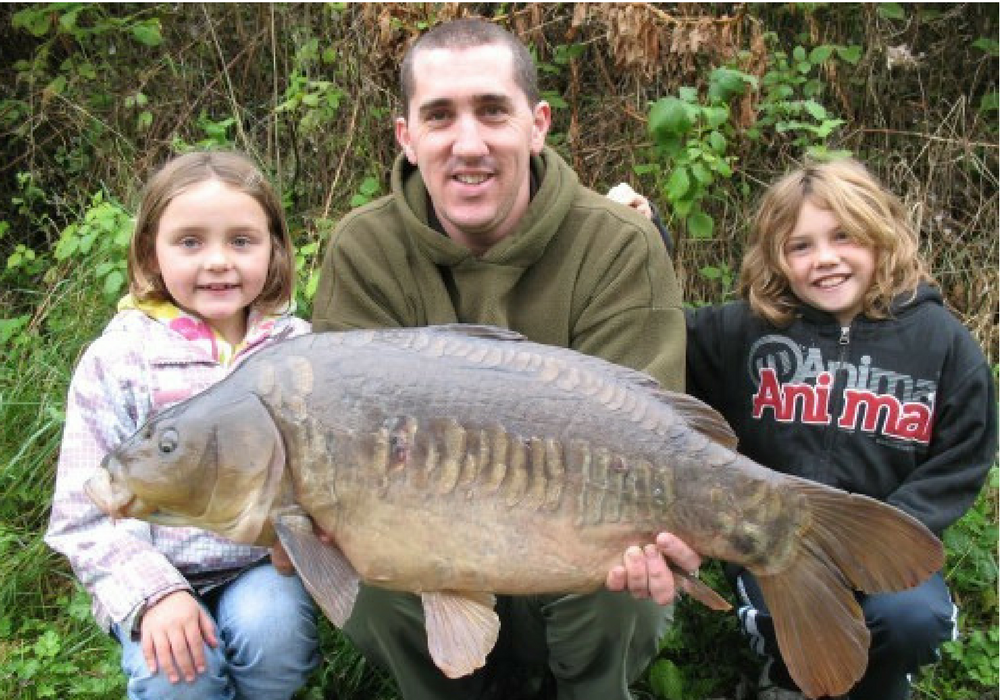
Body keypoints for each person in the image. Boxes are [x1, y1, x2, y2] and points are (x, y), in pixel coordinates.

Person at [311, 16, 701, 700]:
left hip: (574, 540)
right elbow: (341, 453)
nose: (469, 143)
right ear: (406, 136)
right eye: (439, 116)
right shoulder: (362, 251)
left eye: (493, 111)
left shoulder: (618, 246)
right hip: (426, 543)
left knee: (628, 570)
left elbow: (645, 439)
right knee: (355, 561)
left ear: (537, 124)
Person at [684, 158, 998, 700]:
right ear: (777, 258)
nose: (824, 259)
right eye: (800, 246)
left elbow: (963, 455)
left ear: (881, 234)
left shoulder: (941, 343)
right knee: (789, 623)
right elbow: (650, 337)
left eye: (843, 237)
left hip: (885, 542)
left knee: (911, 620)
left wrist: (872, 538)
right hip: (774, 541)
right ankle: (788, 679)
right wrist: (644, 237)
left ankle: (880, 683)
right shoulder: (746, 332)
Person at [45, 151, 320, 700]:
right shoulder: (118, 358)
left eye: (241, 241)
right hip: (152, 572)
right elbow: (84, 515)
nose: (218, 261)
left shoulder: (300, 351)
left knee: (276, 639)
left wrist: (304, 536)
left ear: (275, 249)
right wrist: (156, 594)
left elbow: (322, 474)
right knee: (177, 676)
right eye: (191, 242)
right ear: (151, 253)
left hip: (260, 566)